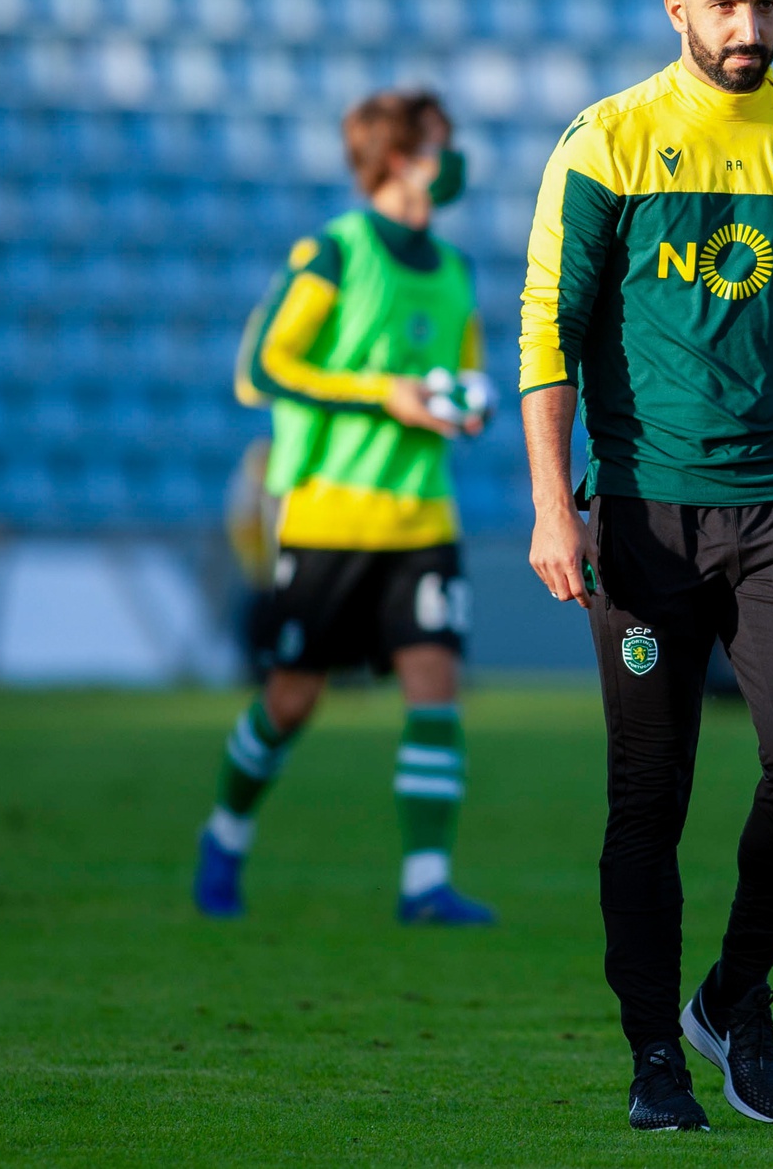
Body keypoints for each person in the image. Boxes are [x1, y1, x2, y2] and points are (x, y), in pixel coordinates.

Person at [519, 0, 773, 1131]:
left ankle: (733, 996)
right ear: (677, 10)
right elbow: (547, 333)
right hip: (640, 518)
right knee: (650, 796)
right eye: (727, 5)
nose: (751, 27)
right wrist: (550, 508)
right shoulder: (607, 144)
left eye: (770, 3)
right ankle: (652, 1061)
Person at [193, 88, 497, 927]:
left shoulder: (459, 270)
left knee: (435, 685)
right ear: (399, 157)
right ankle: (225, 834)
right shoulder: (333, 251)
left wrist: (468, 404)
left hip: (424, 515)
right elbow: (261, 367)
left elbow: (459, 372)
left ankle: (425, 884)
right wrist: (382, 396)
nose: (456, 160)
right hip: (330, 514)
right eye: (442, 144)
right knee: (293, 697)